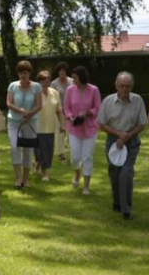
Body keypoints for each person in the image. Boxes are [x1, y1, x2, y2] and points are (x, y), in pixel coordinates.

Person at [98, 72, 148, 220]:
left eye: (128, 86)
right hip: (113, 140)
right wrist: (118, 134)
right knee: (114, 173)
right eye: (122, 86)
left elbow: (142, 124)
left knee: (126, 173)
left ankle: (126, 210)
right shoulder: (108, 101)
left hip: (131, 139)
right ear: (116, 85)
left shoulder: (138, 100)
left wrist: (126, 136)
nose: (125, 89)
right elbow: (102, 124)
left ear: (131, 86)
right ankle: (117, 201)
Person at [64, 67, 101, 195]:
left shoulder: (94, 90)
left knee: (87, 157)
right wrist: (70, 116)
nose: (73, 80)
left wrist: (88, 113)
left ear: (82, 77)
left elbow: (98, 108)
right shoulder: (70, 90)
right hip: (74, 128)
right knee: (75, 157)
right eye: (72, 77)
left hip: (90, 128)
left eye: (75, 78)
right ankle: (77, 173)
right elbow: (66, 108)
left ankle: (86, 186)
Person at [6, 61, 43, 188]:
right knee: (14, 147)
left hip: (30, 122)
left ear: (29, 73)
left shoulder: (36, 87)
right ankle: (18, 177)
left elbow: (39, 105)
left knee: (28, 150)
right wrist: (21, 111)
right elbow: (9, 104)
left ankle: (26, 179)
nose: (23, 75)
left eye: (25, 72)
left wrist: (29, 115)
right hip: (14, 122)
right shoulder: (12, 86)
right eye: (21, 72)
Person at [36, 71, 64, 182]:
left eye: (47, 80)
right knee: (40, 150)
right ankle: (44, 173)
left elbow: (59, 111)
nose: (45, 82)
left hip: (51, 126)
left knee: (48, 151)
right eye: (43, 80)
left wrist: (62, 124)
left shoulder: (55, 93)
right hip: (37, 127)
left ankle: (39, 165)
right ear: (39, 81)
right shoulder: (35, 93)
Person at [51, 62, 71, 164]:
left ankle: (74, 154)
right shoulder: (54, 84)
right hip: (59, 112)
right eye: (60, 71)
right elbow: (53, 99)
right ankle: (61, 155)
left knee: (71, 133)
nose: (62, 72)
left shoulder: (72, 82)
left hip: (71, 112)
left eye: (63, 70)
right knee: (59, 134)